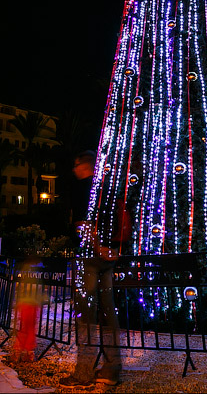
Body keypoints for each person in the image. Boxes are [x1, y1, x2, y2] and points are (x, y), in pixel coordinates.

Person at [58, 151, 123, 388]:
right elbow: (120, 219)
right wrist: (112, 249)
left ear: (83, 165)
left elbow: (82, 224)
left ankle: (83, 372)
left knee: (85, 315)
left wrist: (96, 248)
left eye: (76, 165)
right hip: (110, 257)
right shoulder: (109, 189)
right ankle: (112, 368)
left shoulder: (82, 188)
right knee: (109, 312)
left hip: (89, 257)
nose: (74, 170)